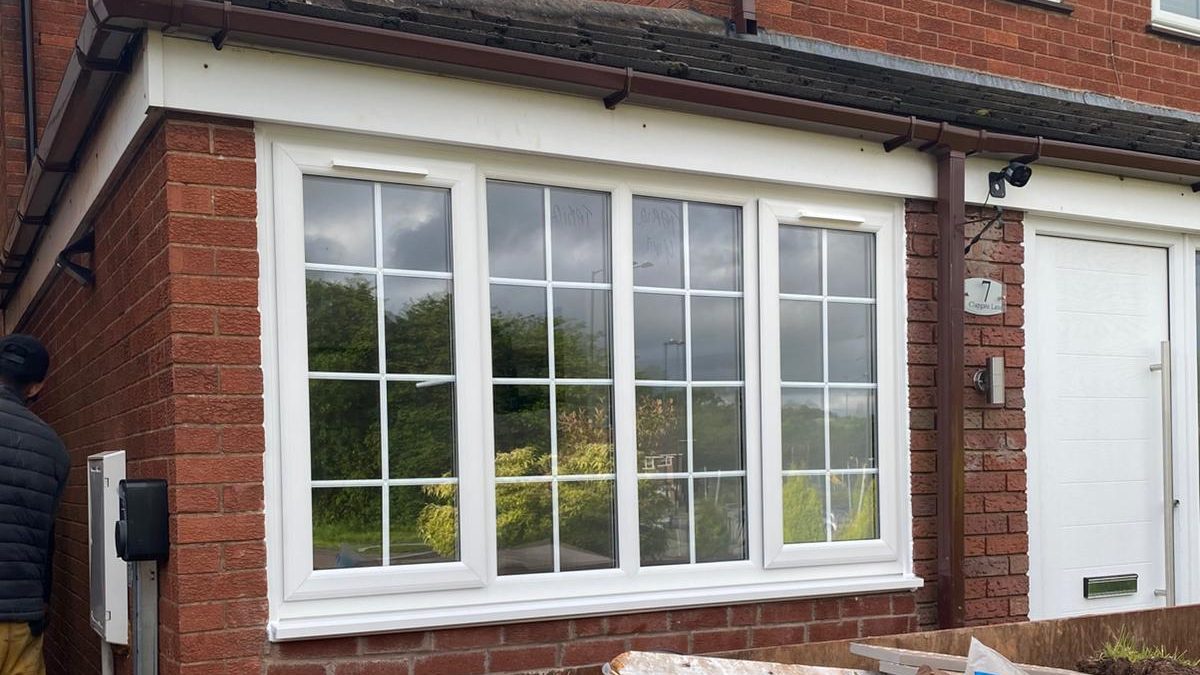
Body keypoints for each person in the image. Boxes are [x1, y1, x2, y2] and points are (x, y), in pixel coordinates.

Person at [0, 335, 67, 675]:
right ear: (37, 386)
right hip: (23, 617)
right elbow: (47, 538)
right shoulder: (54, 450)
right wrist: (43, 599)